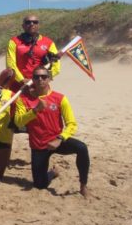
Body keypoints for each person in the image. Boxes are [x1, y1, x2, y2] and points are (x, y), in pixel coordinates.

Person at [14, 68, 90, 197]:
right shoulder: (23, 100)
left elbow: (71, 124)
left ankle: (83, 185)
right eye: (37, 77)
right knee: (40, 185)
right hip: (39, 145)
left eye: (44, 77)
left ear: (49, 79)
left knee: (82, 148)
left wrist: (60, 138)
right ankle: (53, 173)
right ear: (32, 80)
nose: (40, 80)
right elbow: (18, 122)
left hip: (57, 140)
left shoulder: (60, 98)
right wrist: (35, 110)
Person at [6, 15, 60, 92]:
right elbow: (10, 64)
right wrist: (22, 80)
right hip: (18, 85)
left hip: (40, 85)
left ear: (38, 25)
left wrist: (43, 79)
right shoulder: (14, 42)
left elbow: (56, 66)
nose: (32, 24)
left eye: (35, 22)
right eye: (28, 22)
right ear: (23, 26)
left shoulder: (49, 42)